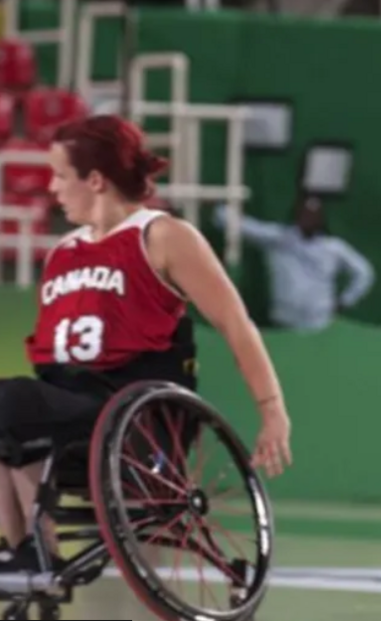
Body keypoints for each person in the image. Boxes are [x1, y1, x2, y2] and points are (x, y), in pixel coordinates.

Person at [0, 115, 292, 571]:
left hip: (131, 410)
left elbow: (237, 324)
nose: (51, 189)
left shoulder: (161, 236)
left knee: (12, 399)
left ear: (95, 180)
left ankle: (37, 551)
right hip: (68, 404)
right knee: (13, 408)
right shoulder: (63, 252)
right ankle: (27, 551)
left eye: (60, 175)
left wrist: (271, 409)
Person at [213, 194, 375, 332]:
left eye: (313, 215)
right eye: (304, 214)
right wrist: (219, 208)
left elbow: (364, 273)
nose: (308, 219)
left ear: (321, 218)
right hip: (284, 319)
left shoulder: (333, 248)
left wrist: (345, 301)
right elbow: (240, 225)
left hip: (318, 321)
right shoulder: (279, 238)